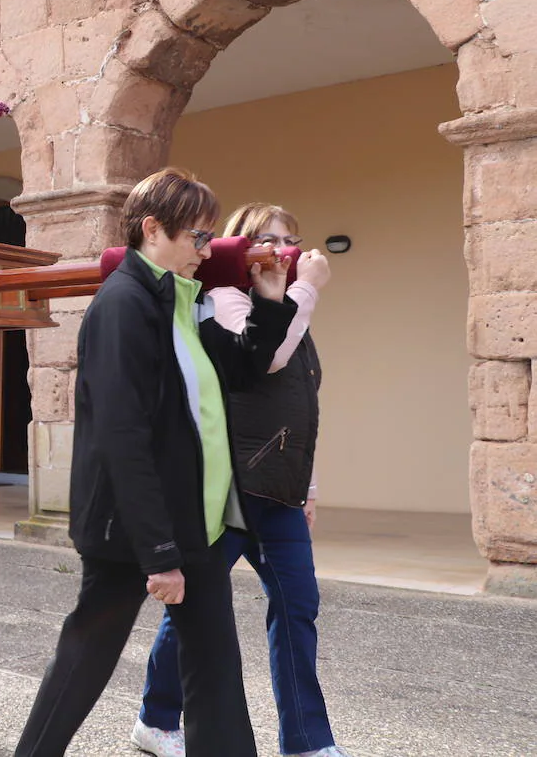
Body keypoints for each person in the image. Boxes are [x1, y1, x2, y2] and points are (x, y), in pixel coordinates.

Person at [13, 168, 296, 757]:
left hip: (198, 521)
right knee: (86, 655)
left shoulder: (180, 301)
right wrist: (160, 553)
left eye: (210, 238)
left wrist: (270, 303)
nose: (207, 250)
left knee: (216, 671)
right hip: (137, 529)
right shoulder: (123, 305)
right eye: (198, 237)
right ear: (152, 230)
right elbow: (123, 436)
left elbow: (244, 370)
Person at [133, 203, 344, 757]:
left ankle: (305, 740)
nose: (280, 250)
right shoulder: (223, 300)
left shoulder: (292, 311)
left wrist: (309, 488)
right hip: (232, 490)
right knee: (193, 610)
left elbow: (302, 408)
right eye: (267, 240)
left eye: (288, 238)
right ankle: (156, 719)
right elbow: (268, 357)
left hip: (279, 491)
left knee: (297, 608)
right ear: (240, 248)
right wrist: (308, 290)